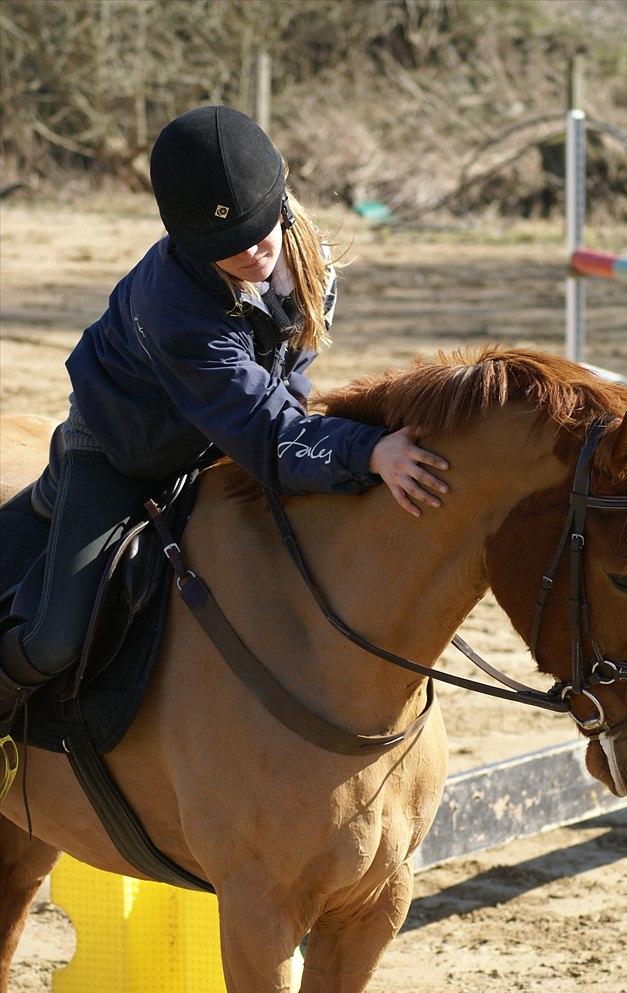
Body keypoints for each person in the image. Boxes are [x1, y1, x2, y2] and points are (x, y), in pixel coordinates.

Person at [0, 105, 449, 722]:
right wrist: (367, 450)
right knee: (56, 640)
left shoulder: (307, 260)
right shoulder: (177, 306)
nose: (249, 251)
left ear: (281, 201)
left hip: (215, 434)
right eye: (225, 244)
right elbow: (263, 427)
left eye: (258, 228)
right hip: (117, 451)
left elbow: (285, 382)